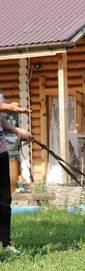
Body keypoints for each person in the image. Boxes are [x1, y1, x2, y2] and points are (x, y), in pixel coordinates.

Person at [0, 90, 32, 255]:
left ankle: (6, 244)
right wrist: (11, 107)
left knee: (5, 201)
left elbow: (1, 120)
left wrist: (16, 130)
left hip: (1, 152)